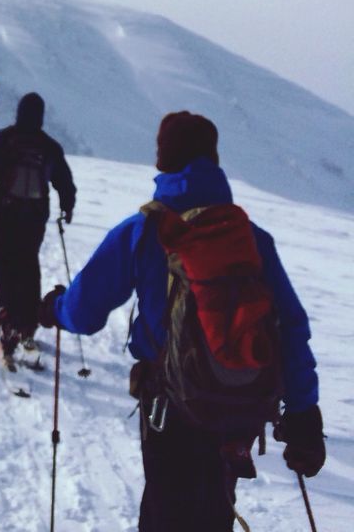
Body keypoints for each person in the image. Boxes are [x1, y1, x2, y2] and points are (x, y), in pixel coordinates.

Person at [38, 110, 325, 532]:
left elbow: (85, 312)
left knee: (166, 513)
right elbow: (292, 327)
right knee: (213, 511)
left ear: (163, 163)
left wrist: (55, 309)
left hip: (172, 408)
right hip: (239, 411)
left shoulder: (144, 230)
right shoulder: (249, 239)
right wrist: (304, 413)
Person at [0, 91, 75, 355]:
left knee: (4, 262)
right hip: (35, 217)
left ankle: (6, 315)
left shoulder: (4, 139)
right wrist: (67, 206)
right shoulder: (48, 146)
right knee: (28, 265)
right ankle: (28, 325)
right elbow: (64, 180)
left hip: (6, 212)